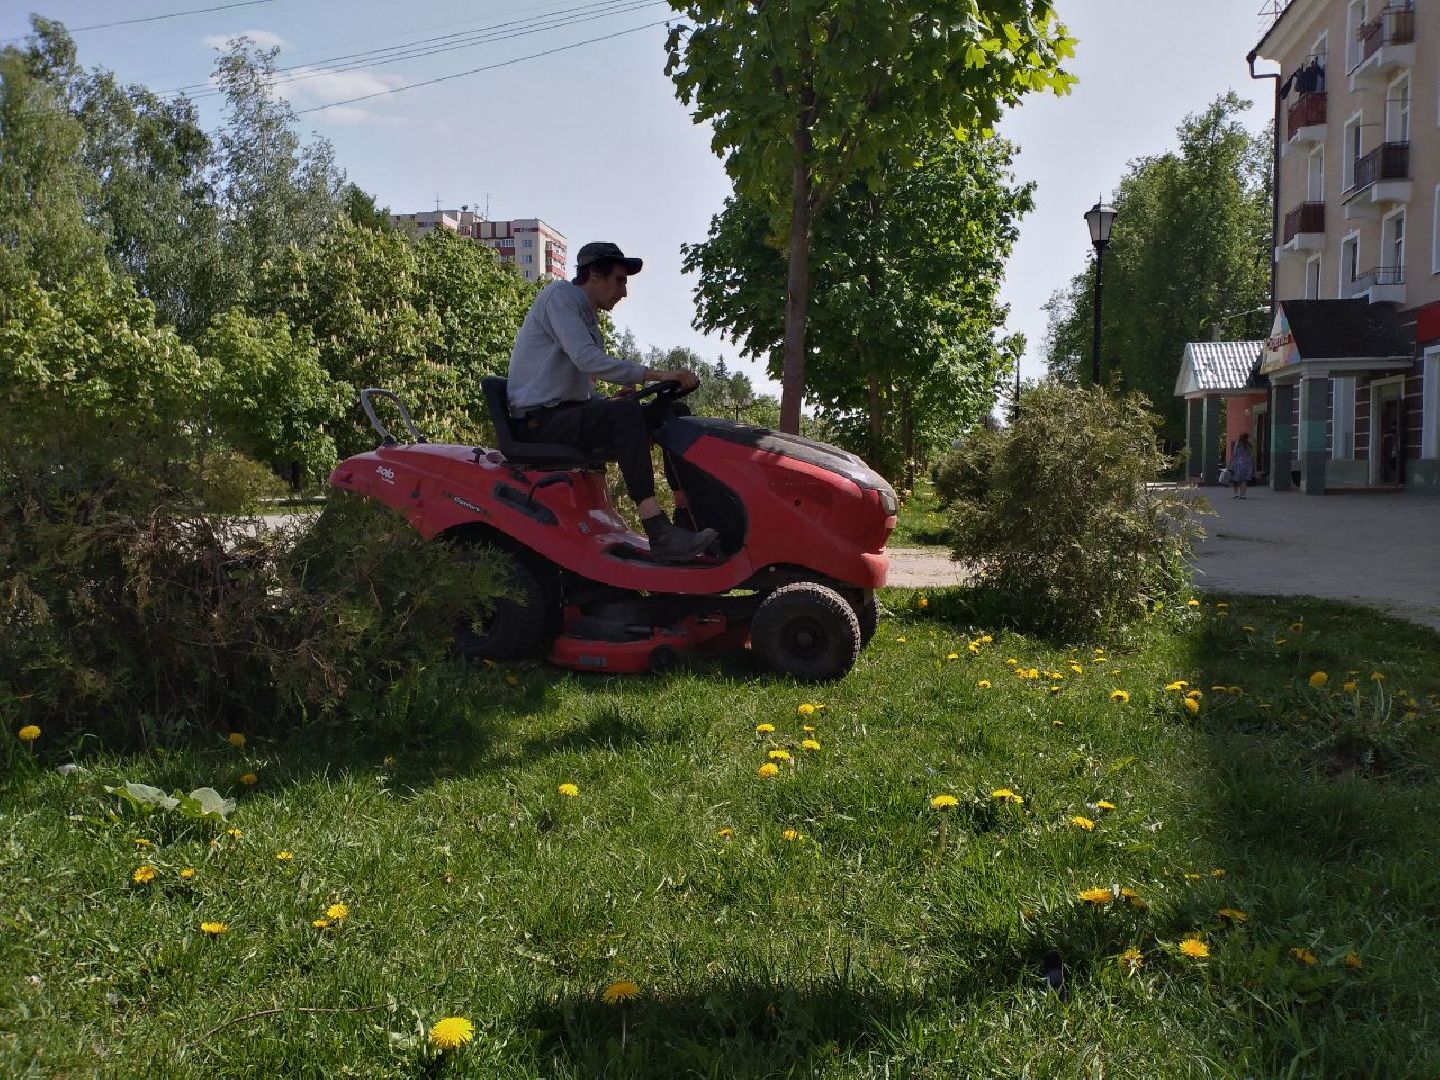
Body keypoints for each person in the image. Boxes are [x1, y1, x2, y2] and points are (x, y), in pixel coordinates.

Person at [506, 241, 717, 560]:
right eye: (619, 280)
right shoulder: (560, 297)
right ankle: (657, 530)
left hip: (566, 414)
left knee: (671, 411)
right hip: (539, 423)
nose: (624, 292)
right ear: (594, 273)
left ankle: (687, 515)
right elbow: (587, 360)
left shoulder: (585, 315)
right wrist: (657, 375)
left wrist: (606, 399)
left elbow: (576, 384)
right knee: (626, 414)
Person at [1229, 431, 1255, 499]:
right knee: (1244, 480)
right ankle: (1243, 494)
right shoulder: (1250, 445)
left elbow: (1234, 454)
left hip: (1238, 463)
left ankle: (1235, 493)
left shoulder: (1237, 444)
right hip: (1247, 463)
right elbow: (1252, 455)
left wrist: (1230, 462)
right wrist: (1250, 462)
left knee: (1235, 479)